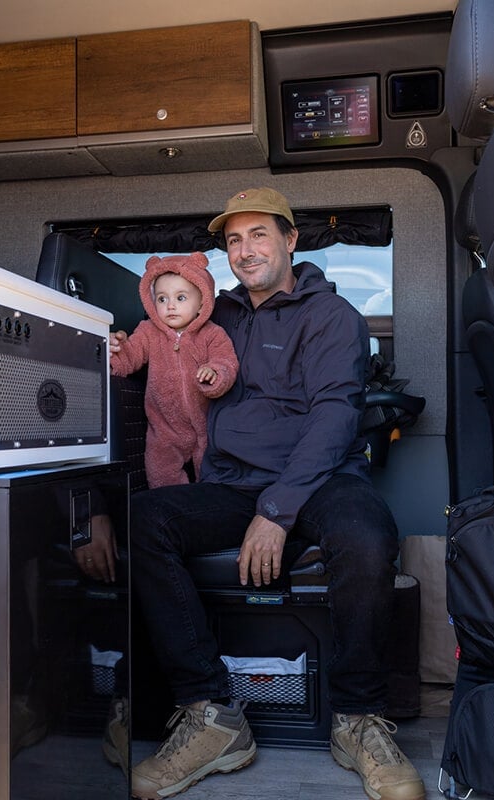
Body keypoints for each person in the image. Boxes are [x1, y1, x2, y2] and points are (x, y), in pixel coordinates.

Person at [110, 188, 426, 800]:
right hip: (233, 483)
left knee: (367, 535)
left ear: (290, 241)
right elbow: (162, 344)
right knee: (143, 518)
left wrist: (276, 511)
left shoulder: (333, 317)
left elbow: (335, 415)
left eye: (259, 235)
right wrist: (121, 347)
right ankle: (211, 715)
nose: (244, 250)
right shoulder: (214, 315)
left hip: (323, 481)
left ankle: (357, 719)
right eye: (233, 239)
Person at [110, 252, 239, 488]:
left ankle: (205, 509)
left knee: (212, 479)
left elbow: (227, 363)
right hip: (164, 427)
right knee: (162, 477)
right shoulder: (148, 331)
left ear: (202, 301)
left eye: (181, 298)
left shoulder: (213, 334)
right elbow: (131, 356)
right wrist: (114, 353)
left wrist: (215, 373)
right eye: (161, 299)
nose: (170, 306)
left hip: (207, 426)